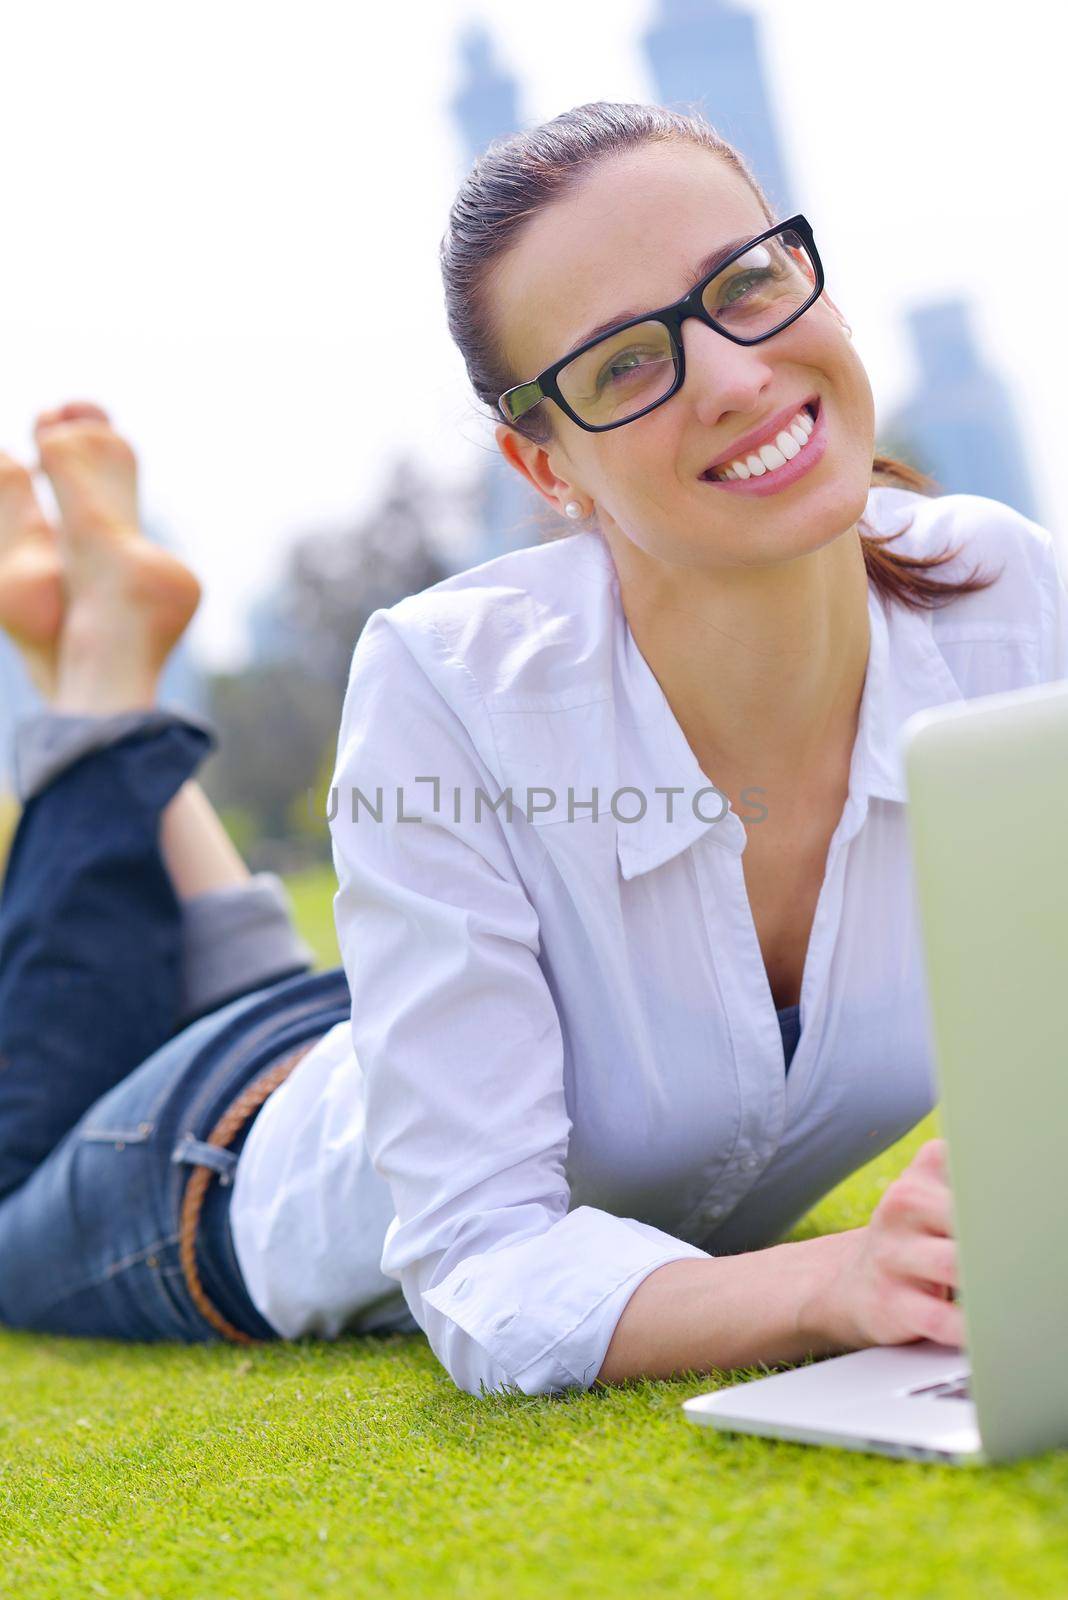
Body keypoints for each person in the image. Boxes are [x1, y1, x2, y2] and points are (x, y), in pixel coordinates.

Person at [0, 102, 1064, 1393]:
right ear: (545, 468)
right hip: (225, 1156)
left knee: (297, 1009)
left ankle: (99, 657)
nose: (734, 374)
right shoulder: (448, 679)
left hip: (413, 1042)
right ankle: (105, 669)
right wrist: (837, 1282)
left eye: (745, 284)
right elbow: (484, 1268)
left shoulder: (1002, 603)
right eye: (624, 362)